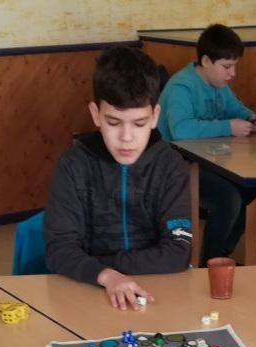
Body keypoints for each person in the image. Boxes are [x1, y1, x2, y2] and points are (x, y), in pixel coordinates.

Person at [44, 46, 192, 310]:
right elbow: (59, 250)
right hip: (91, 289)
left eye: (139, 123)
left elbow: (177, 252)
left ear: (155, 116)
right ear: (95, 115)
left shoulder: (170, 165)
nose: (126, 138)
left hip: (156, 292)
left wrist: (102, 263)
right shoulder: (72, 165)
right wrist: (106, 275)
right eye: (113, 123)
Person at [158, 24, 256, 265]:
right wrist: (228, 127)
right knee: (229, 198)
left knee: (255, 188)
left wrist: (250, 117)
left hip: (205, 163)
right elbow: (180, 130)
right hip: (173, 169)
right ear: (206, 61)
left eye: (234, 66)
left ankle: (222, 252)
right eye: (227, 66)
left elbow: (233, 107)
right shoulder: (181, 87)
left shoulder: (218, 84)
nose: (232, 73)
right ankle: (209, 262)